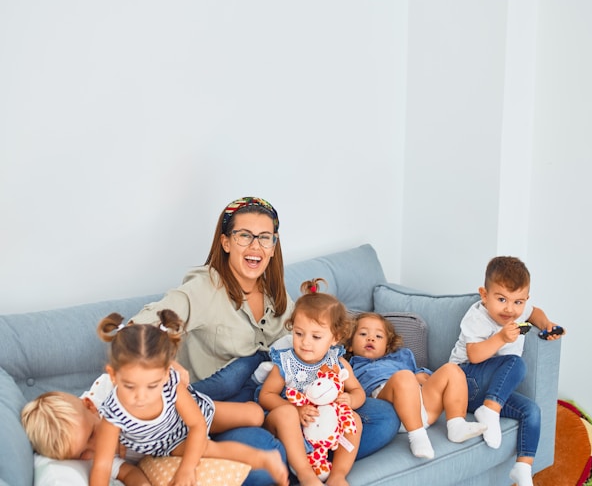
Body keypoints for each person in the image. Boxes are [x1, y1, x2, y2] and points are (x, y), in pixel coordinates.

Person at [129, 196, 400, 485]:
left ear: (273, 246)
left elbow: (313, 335)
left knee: (383, 417)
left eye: (264, 238)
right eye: (244, 235)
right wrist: (169, 366)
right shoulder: (203, 288)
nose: (255, 246)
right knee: (266, 455)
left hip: (283, 396)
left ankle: (307, 454)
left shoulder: (275, 289)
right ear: (226, 242)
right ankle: (300, 454)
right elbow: (136, 330)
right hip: (226, 409)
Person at [90, 309, 288, 486]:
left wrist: (187, 469)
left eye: (152, 386)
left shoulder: (171, 386)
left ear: (166, 374)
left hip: (196, 416)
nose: (141, 397)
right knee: (209, 449)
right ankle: (263, 458)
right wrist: (188, 464)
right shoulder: (112, 416)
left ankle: (256, 400)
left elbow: (197, 425)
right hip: (172, 444)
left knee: (254, 415)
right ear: (114, 376)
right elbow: (102, 466)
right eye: (129, 386)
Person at [449, 256, 565, 486]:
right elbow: (474, 355)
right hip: (464, 382)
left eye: (518, 302)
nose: (510, 309)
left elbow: (535, 313)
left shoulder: (521, 311)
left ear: (525, 300)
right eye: (501, 299)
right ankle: (490, 411)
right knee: (516, 362)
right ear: (484, 295)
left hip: (491, 391)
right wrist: (501, 338)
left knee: (532, 410)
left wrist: (547, 324)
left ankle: (523, 466)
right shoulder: (477, 317)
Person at [258, 278, 365, 486]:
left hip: (323, 425)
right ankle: (306, 475)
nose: (305, 342)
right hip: (288, 424)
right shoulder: (286, 362)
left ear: (335, 338)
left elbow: (358, 391)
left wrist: (350, 399)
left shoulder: (338, 363)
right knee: (287, 414)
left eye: (316, 337)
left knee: (354, 420)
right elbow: (266, 396)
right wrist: (296, 411)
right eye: (298, 333)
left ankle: (338, 475)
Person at [347, 312, 486, 459]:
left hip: (423, 407)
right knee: (404, 376)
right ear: (349, 345)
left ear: (387, 346)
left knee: (452, 369)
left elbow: (419, 373)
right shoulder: (349, 366)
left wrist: (422, 375)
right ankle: (418, 437)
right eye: (363, 334)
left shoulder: (401, 357)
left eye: (379, 336)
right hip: (391, 409)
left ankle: (457, 425)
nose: (370, 338)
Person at [21, 375, 150, 486]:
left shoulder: (108, 391)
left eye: (91, 435)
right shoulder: (94, 460)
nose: (96, 447)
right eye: (83, 453)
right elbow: (129, 473)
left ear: (90, 406)